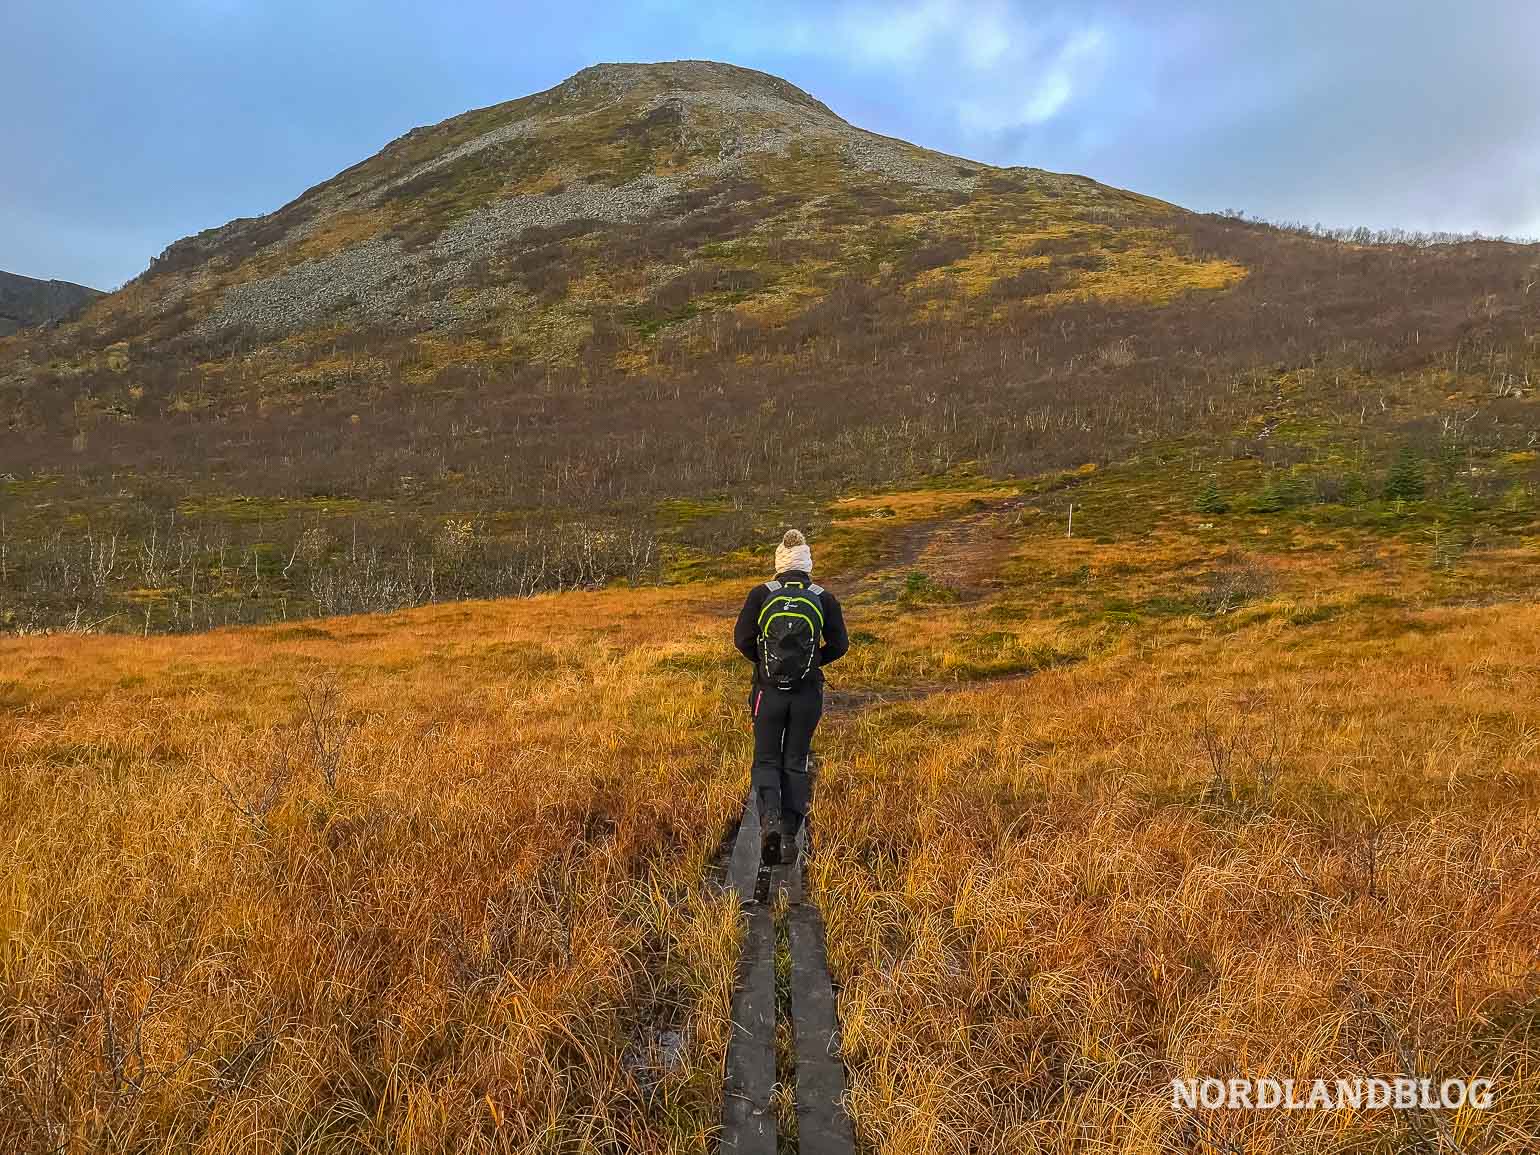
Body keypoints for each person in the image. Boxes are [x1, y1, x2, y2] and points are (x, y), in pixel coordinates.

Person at [733, 529, 849, 866]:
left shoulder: (761, 593)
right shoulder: (823, 597)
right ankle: (787, 837)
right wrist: (812, 663)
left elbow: (742, 639)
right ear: (807, 563)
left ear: (779, 564)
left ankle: (768, 820)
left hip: (768, 693)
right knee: (795, 761)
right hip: (806, 694)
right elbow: (840, 645)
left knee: (766, 759)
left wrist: (766, 665)